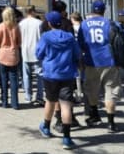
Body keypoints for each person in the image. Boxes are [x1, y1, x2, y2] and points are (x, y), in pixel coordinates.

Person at [36, 11, 81, 150]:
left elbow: (38, 54)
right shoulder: (69, 37)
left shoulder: (46, 37)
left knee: (50, 101)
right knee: (66, 105)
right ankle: (67, 138)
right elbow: (77, 54)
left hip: (51, 73)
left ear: (49, 23)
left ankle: (46, 126)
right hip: (67, 73)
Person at [78, 0, 122, 133]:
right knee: (111, 91)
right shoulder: (111, 23)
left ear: (92, 10)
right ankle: (111, 122)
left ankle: (94, 115)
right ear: (104, 11)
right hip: (109, 61)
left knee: (92, 90)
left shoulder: (84, 24)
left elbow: (81, 44)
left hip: (91, 61)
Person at [0, 6, 21, 109]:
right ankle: (15, 103)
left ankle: (4, 102)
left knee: (4, 80)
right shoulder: (16, 27)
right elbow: (19, 42)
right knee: (14, 80)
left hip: (2, 54)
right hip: (13, 54)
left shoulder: (0, 27)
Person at [19, 5, 44, 106]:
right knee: (40, 76)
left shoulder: (21, 24)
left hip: (25, 51)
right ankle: (39, 96)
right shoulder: (39, 23)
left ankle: (28, 96)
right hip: (37, 51)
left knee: (26, 76)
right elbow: (42, 37)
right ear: (33, 11)